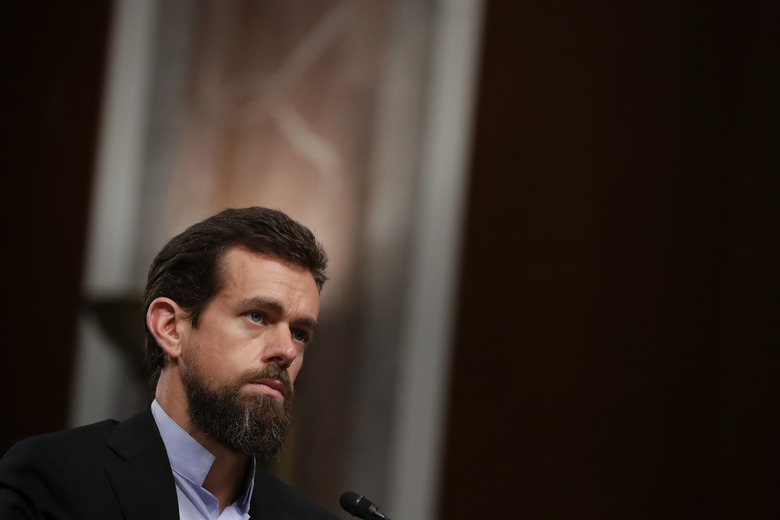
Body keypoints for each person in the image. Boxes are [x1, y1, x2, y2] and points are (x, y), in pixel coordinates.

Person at [0, 207, 339, 520]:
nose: (287, 350)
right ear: (170, 328)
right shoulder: (54, 478)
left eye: (299, 333)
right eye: (257, 316)